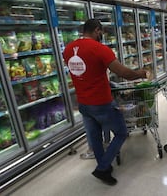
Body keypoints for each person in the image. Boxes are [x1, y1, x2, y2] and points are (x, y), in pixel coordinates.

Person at [63, 19, 148, 185]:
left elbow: (85, 72)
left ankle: (104, 166)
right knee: (121, 132)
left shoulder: (67, 49)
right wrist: (141, 73)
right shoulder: (100, 49)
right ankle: (102, 169)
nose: (101, 36)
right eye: (101, 32)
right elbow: (124, 73)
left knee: (95, 138)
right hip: (101, 102)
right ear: (96, 30)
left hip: (83, 103)